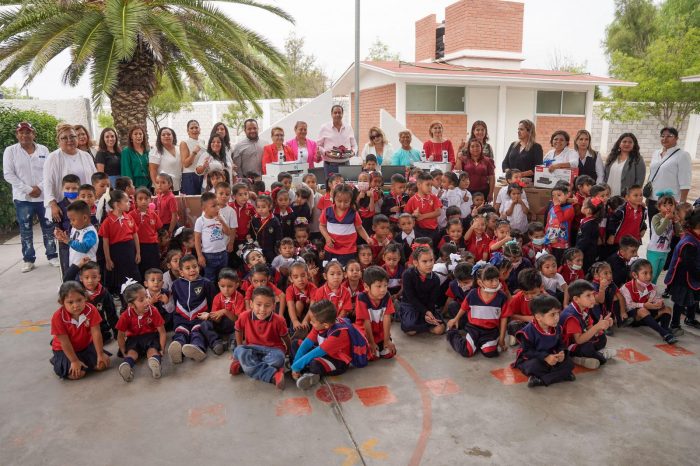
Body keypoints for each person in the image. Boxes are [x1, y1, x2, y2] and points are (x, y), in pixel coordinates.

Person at [3, 121, 58, 271]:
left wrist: (39, 187)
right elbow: (8, 174)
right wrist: (28, 189)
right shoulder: (10, 151)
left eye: (28, 132)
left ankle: (52, 255)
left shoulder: (43, 149)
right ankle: (28, 259)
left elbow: (49, 171)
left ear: (33, 134)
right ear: (17, 134)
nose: (24, 135)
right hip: (23, 198)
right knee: (25, 230)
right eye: (21, 132)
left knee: (48, 227)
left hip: (43, 196)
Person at [291, 300, 364, 389]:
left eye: (313, 321)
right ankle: (304, 370)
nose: (310, 323)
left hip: (337, 361)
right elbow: (306, 344)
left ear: (325, 325)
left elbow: (314, 353)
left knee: (315, 363)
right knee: (296, 343)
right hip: (323, 353)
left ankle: (312, 374)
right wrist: (296, 364)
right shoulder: (320, 325)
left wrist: (295, 367)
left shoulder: (338, 335)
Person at [230, 286, 290, 389]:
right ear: (251, 304)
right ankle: (272, 375)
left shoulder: (279, 320)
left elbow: (285, 337)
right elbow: (238, 329)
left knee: (279, 358)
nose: (262, 310)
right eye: (258, 305)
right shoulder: (244, 316)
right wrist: (240, 345)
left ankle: (243, 366)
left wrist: (288, 351)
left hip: (273, 350)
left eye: (267, 305)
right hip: (252, 348)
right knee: (239, 350)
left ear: (273, 306)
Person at [49, 281, 110, 380]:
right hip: (64, 349)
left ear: (85, 297)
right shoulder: (58, 317)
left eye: (79, 300)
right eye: (70, 302)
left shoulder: (91, 309)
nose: (76, 305)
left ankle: (83, 360)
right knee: (78, 374)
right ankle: (58, 360)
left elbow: (96, 333)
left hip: (85, 345)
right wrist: (74, 361)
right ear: (62, 302)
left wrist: (100, 354)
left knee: (103, 364)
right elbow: (64, 342)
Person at [446, 263, 509, 357]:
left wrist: (502, 338)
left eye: (496, 279)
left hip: (491, 331)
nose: (495, 283)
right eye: (491, 280)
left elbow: (504, 318)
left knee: (491, 353)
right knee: (466, 351)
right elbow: (464, 308)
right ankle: (451, 334)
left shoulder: (502, 296)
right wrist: (455, 319)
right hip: (473, 328)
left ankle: (479, 343)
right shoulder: (473, 293)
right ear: (480, 282)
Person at [513, 295, 575, 388]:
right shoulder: (528, 331)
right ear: (538, 317)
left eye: (558, 313)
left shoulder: (557, 328)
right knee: (534, 366)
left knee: (569, 363)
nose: (557, 317)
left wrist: (561, 353)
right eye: (552, 314)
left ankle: (540, 380)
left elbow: (560, 344)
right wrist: (545, 357)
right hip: (533, 358)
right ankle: (560, 376)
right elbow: (527, 352)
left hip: (552, 357)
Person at [168, 254, 218, 363]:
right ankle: (178, 347)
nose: (192, 270)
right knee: (181, 332)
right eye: (187, 268)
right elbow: (176, 301)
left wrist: (209, 315)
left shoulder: (206, 283)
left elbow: (213, 302)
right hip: (182, 317)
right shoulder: (176, 285)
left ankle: (197, 348)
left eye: (195, 266)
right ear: (181, 272)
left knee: (197, 332)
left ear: (199, 267)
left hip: (199, 317)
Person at [43, 123, 97, 224]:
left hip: (85, 205)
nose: (69, 140)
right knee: (67, 237)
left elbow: (94, 180)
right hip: (64, 208)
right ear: (58, 141)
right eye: (64, 138)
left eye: (72, 136)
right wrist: (53, 205)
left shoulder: (86, 156)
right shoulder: (53, 158)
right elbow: (47, 183)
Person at [116, 282, 167, 382]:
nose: (147, 301)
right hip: (133, 339)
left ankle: (155, 365)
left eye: (147, 297)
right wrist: (123, 352)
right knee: (131, 353)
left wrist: (162, 348)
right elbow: (120, 336)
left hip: (151, 336)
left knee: (152, 352)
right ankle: (127, 365)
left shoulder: (153, 310)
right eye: (141, 300)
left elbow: (162, 332)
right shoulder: (125, 315)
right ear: (131, 305)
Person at [645, 127, 692, 233]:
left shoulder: (682, 155)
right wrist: (648, 196)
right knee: (654, 231)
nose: (665, 138)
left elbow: (685, 181)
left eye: (669, 136)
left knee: (669, 233)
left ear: (676, 138)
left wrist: (682, 203)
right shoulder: (656, 153)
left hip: (670, 202)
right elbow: (652, 175)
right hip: (653, 200)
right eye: (662, 136)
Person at [559, 280, 614, 369]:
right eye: (588, 295)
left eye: (593, 294)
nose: (593, 298)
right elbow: (579, 340)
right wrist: (597, 327)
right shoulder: (571, 316)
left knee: (602, 338)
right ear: (576, 299)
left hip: (581, 339)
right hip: (568, 346)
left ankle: (593, 355)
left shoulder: (584, 308)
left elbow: (590, 329)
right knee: (591, 351)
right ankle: (576, 358)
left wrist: (602, 325)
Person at [620, 259, 677, 344]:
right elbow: (628, 305)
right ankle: (664, 333)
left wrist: (658, 304)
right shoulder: (626, 287)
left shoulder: (652, 287)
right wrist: (644, 305)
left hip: (648, 317)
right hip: (634, 318)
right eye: (645, 273)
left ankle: (665, 331)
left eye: (650, 273)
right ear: (635, 275)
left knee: (667, 309)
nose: (649, 276)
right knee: (642, 310)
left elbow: (656, 299)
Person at [665, 206, 700, 333]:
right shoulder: (689, 242)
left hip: (693, 275)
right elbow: (688, 264)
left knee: (693, 298)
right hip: (682, 278)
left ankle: (690, 318)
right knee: (680, 301)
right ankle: (674, 324)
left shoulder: (695, 236)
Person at [99, 189, 141, 295]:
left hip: (130, 251)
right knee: (120, 278)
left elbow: (135, 235)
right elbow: (105, 242)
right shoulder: (107, 222)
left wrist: (138, 252)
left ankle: (133, 298)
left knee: (132, 275)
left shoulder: (129, 217)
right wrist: (108, 259)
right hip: (117, 253)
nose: (129, 203)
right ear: (117, 204)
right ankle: (123, 301)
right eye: (126, 201)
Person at [399, 246, 445, 335]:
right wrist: (425, 312)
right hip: (410, 304)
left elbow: (432, 301)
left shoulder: (435, 279)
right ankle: (400, 312)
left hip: (427, 305)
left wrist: (428, 313)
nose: (429, 264)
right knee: (410, 330)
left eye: (431, 260)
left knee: (440, 329)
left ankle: (423, 326)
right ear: (416, 263)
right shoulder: (408, 275)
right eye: (424, 261)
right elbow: (411, 298)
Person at [320, 184, 371, 264]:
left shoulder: (353, 213)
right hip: (331, 249)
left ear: (351, 200)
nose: (342, 205)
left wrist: (367, 238)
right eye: (339, 201)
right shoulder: (327, 211)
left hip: (349, 250)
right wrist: (327, 238)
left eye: (346, 202)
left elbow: (359, 228)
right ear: (334, 199)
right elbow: (322, 226)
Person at [355, 266, 397, 360]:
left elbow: (387, 318)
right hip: (366, 333)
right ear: (366, 287)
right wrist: (371, 342)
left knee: (389, 353)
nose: (383, 289)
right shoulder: (362, 298)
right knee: (372, 356)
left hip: (380, 333)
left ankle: (382, 343)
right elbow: (366, 322)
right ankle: (371, 346)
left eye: (385, 285)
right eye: (378, 286)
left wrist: (386, 340)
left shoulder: (386, 296)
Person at [195, 192, 233, 282]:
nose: (217, 208)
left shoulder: (221, 217)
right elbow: (197, 240)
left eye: (218, 205)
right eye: (213, 206)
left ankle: (222, 295)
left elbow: (228, 233)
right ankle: (211, 295)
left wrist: (222, 221)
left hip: (223, 253)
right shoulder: (200, 221)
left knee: (223, 277)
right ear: (204, 209)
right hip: (208, 255)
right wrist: (200, 256)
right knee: (210, 279)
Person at [647, 194, 682, 285]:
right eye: (665, 205)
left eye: (671, 205)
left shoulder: (672, 218)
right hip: (654, 251)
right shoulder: (656, 217)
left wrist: (676, 222)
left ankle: (652, 292)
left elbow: (679, 233)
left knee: (657, 274)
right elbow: (659, 231)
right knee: (652, 275)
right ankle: (645, 293)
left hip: (665, 251)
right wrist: (666, 218)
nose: (668, 208)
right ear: (659, 207)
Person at [130, 188, 163, 277]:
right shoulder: (131, 215)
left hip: (152, 246)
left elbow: (159, 228)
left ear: (150, 200)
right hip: (139, 246)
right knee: (141, 268)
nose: (143, 201)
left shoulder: (153, 214)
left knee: (154, 267)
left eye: (146, 198)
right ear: (135, 201)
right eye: (140, 199)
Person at [317, 105, 357, 176]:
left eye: (339, 112)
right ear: (331, 114)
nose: (337, 114)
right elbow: (318, 145)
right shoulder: (324, 127)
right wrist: (325, 153)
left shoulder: (348, 127)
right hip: (330, 166)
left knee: (345, 186)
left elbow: (354, 145)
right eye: (335, 113)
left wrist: (353, 153)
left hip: (345, 165)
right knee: (330, 186)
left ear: (342, 114)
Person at [603, 133, 645, 197]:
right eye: (624, 141)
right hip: (608, 195)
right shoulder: (612, 157)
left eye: (630, 142)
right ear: (619, 143)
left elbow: (639, 181)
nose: (627, 144)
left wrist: (632, 195)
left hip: (625, 197)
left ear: (634, 145)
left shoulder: (638, 159)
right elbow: (605, 176)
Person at [149, 127, 182, 192]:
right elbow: (153, 170)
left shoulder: (178, 149)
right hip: (162, 188)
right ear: (160, 138)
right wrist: (157, 186)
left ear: (173, 136)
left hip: (176, 186)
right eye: (163, 135)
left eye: (169, 134)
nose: (166, 136)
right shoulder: (156, 151)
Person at [179, 120, 205, 195]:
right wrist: (194, 152)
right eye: (192, 128)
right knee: (191, 202)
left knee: (202, 201)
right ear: (187, 131)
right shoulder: (184, 143)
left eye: (196, 127)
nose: (194, 130)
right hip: (190, 176)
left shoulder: (202, 141)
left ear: (200, 129)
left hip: (202, 175)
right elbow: (185, 164)